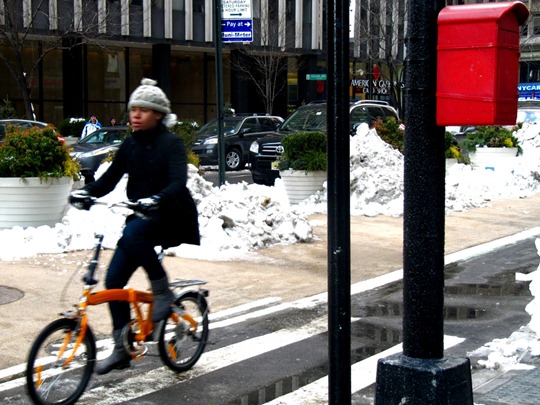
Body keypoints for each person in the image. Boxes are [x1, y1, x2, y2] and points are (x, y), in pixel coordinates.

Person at [69, 78, 200, 375]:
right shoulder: (129, 144)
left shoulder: (172, 144)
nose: (135, 115)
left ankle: (162, 290)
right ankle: (121, 348)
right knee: (113, 282)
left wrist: (156, 198)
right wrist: (86, 193)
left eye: (143, 109)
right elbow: (108, 180)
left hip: (171, 215)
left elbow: (178, 182)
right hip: (142, 217)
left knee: (134, 232)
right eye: (133, 109)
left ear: (158, 114)